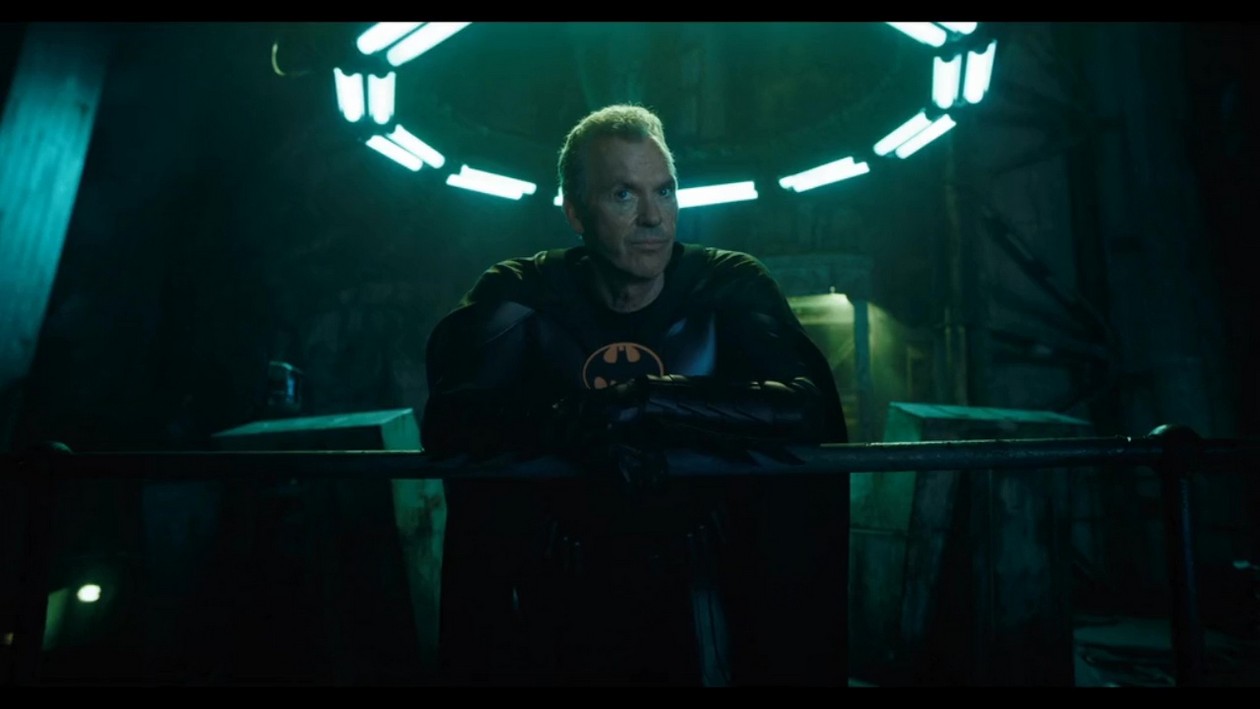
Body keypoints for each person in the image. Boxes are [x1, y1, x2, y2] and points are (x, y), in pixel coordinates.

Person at [422, 104, 849, 686]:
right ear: (575, 211)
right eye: (623, 194)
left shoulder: (726, 282)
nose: (652, 217)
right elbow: (451, 419)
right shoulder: (525, 290)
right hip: (561, 587)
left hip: (706, 582)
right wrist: (581, 425)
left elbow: (805, 406)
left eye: (664, 191)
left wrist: (648, 402)